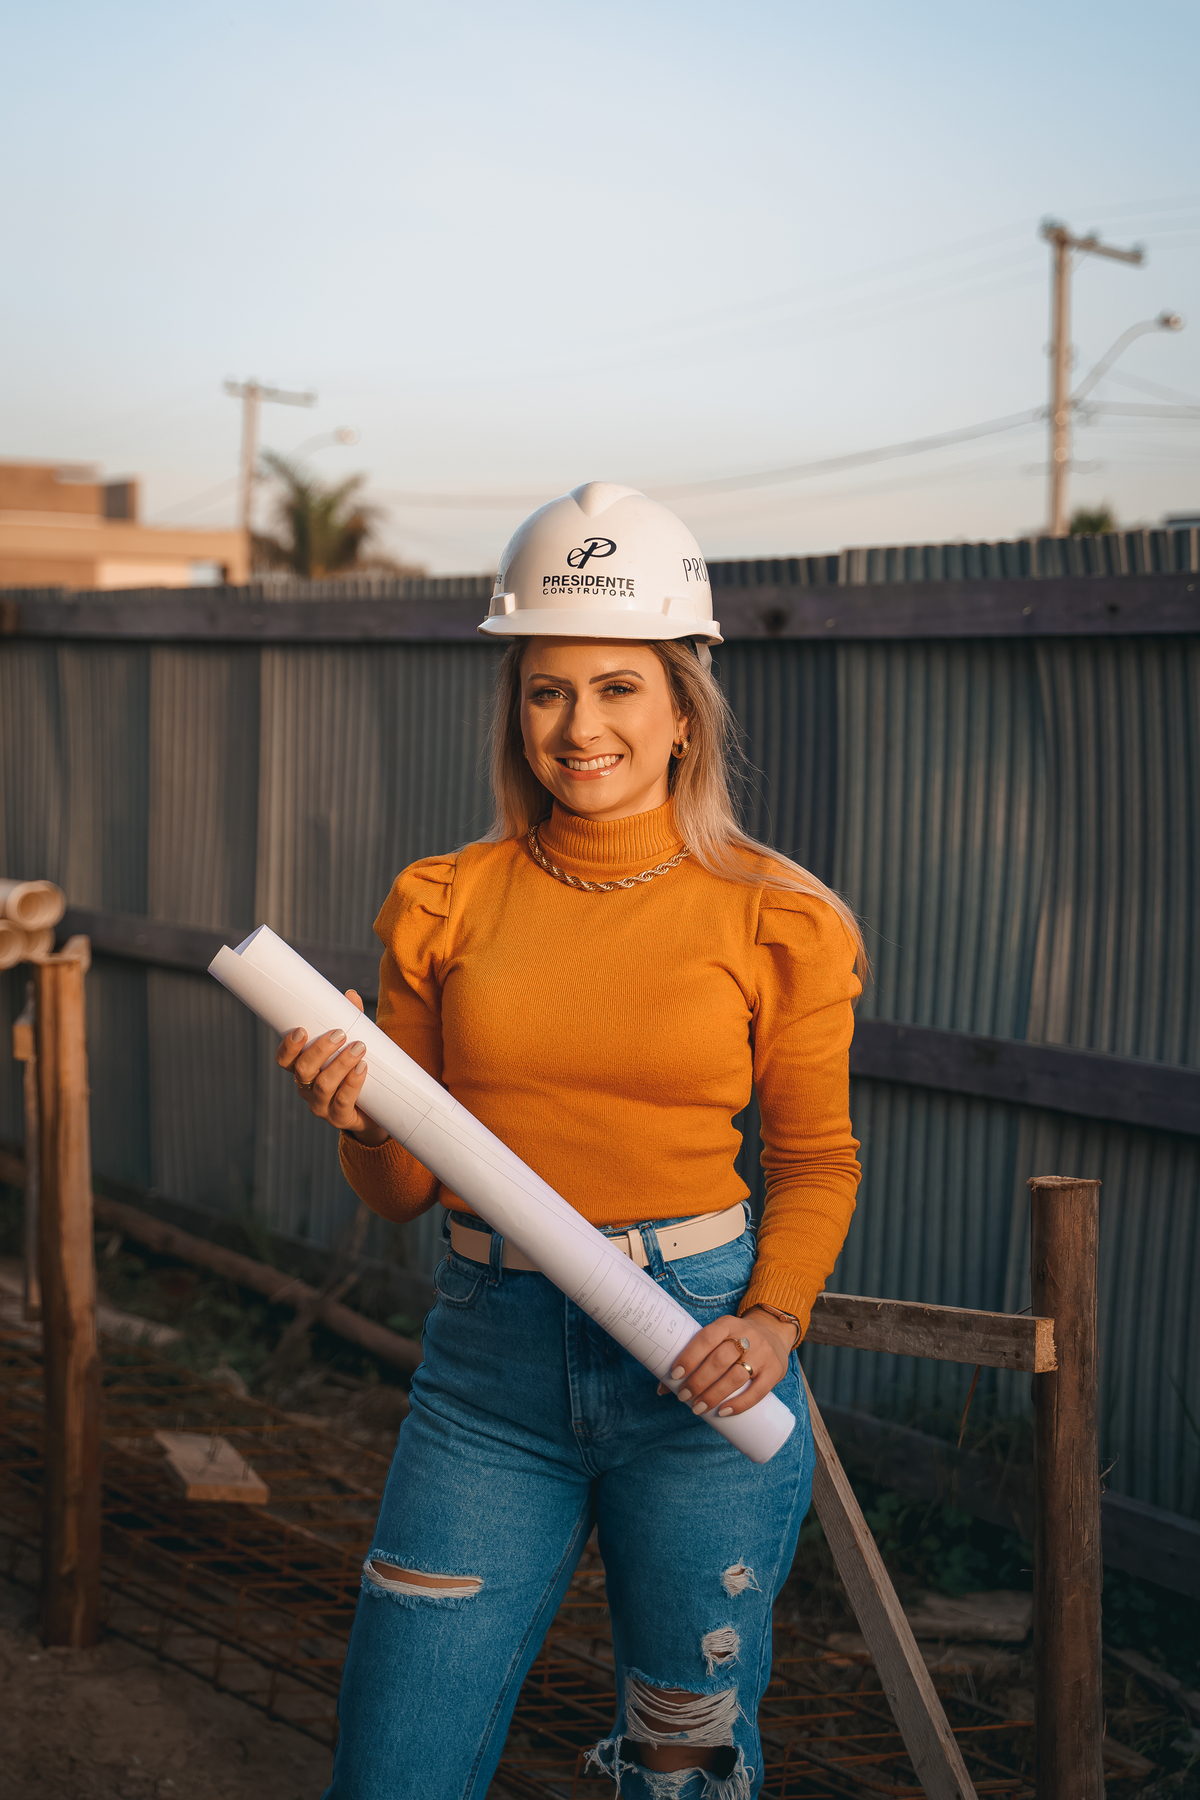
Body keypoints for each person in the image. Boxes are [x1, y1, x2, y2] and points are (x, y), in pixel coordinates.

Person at [278, 483, 864, 1800]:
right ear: (515, 706)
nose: (581, 727)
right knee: (394, 1769)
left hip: (699, 1361)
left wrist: (771, 1323)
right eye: (548, 691)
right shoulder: (444, 903)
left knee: (684, 1760)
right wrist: (356, 1117)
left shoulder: (778, 918)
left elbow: (818, 1161)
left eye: (616, 690)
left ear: (679, 710)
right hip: (493, 1374)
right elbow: (400, 1190)